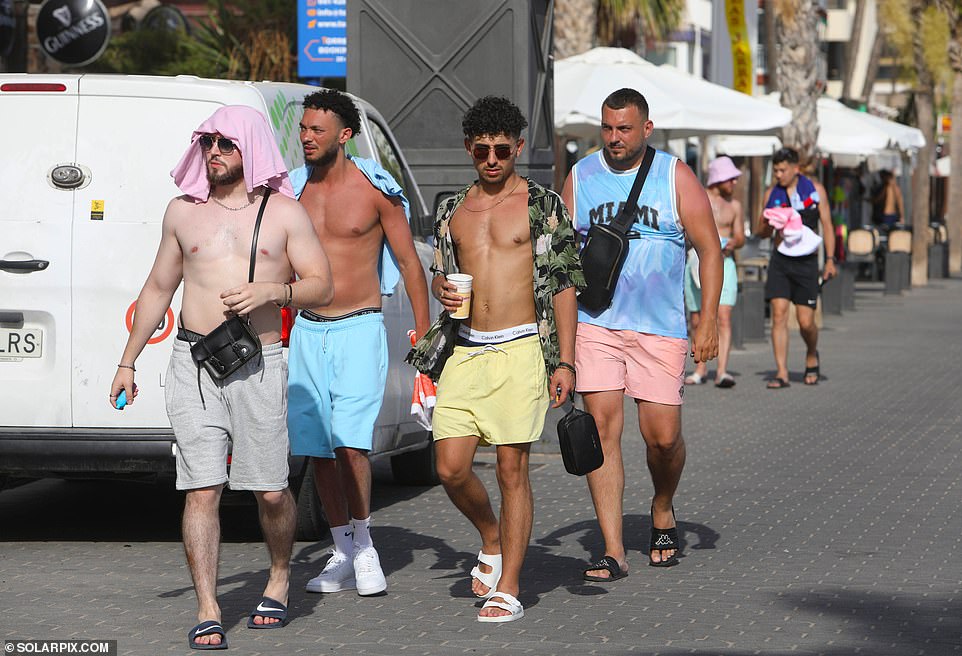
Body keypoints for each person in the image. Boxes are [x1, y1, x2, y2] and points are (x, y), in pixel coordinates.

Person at [109, 105, 334, 649]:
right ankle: (209, 607)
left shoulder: (283, 213)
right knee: (201, 489)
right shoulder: (182, 213)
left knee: (272, 492)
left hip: (260, 360)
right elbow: (159, 289)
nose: (214, 152)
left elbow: (322, 284)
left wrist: (273, 293)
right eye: (208, 141)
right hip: (193, 364)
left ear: (251, 149)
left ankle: (278, 577)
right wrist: (127, 360)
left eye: (226, 144)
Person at [420, 96, 582, 622]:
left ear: (517, 147)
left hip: (520, 348)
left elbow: (562, 286)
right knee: (449, 467)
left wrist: (565, 362)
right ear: (469, 148)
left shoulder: (543, 205)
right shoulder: (451, 210)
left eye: (503, 150)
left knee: (512, 468)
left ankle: (510, 584)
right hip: (467, 350)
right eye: (483, 150)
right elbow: (443, 274)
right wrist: (443, 287)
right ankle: (491, 536)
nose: (492, 159)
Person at [561, 88, 721, 579]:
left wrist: (708, 318)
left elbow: (710, 249)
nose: (614, 138)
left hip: (660, 328)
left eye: (624, 129)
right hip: (597, 324)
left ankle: (662, 506)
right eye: (607, 128)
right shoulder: (581, 175)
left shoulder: (675, 176)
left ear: (645, 129)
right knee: (603, 429)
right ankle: (612, 548)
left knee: (663, 439)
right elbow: (561, 257)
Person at [287, 89, 431, 597]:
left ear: (344, 135)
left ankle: (366, 544)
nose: (306, 138)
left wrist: (425, 332)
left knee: (351, 444)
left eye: (316, 130)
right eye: (303, 129)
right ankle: (342, 547)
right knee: (318, 451)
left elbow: (411, 262)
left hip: (358, 326)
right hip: (307, 329)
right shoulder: (291, 192)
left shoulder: (375, 190)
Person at [755, 147, 836, 388]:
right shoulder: (772, 193)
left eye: (782, 170)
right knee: (778, 314)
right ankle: (781, 372)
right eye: (776, 170)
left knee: (805, 322)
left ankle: (812, 353)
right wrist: (768, 223)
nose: (778, 174)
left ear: (795, 169)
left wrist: (830, 260)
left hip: (807, 262)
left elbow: (828, 226)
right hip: (781, 260)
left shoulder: (815, 190)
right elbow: (762, 232)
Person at [684, 156, 745, 388]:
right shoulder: (699, 199)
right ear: (718, 178)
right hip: (696, 262)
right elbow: (686, 229)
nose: (734, 183)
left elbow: (740, 237)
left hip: (725, 263)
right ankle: (700, 369)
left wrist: (732, 242)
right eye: (730, 178)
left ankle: (722, 371)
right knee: (697, 317)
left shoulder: (735, 206)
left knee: (724, 315)